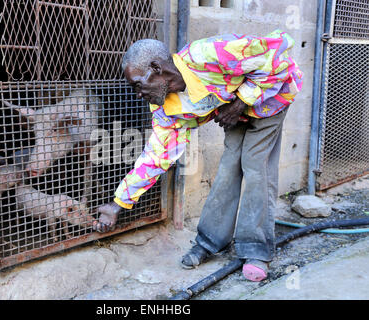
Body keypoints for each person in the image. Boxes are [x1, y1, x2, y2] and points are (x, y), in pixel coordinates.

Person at [92, 30, 303, 281]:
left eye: (138, 84)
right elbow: (156, 156)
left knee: (256, 167)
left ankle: (256, 250)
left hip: (270, 100)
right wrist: (118, 204)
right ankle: (210, 241)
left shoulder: (209, 54)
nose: (138, 94)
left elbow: (279, 52)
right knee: (228, 168)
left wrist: (241, 101)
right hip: (233, 111)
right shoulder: (165, 109)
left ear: (157, 67)